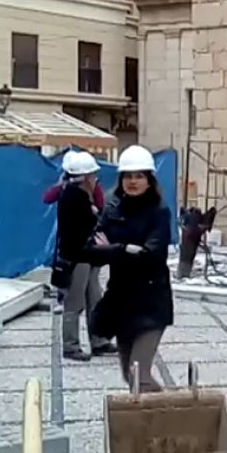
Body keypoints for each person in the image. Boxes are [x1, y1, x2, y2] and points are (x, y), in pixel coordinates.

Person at [84, 145, 173, 392]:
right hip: (121, 302)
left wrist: (114, 249)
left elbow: (151, 256)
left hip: (151, 302)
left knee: (138, 373)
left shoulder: (159, 212)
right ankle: (148, 423)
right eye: (128, 176)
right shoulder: (113, 209)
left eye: (139, 176)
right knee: (128, 375)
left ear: (149, 180)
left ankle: (173, 416)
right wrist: (124, 250)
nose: (133, 181)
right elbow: (90, 250)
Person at [55, 151, 117, 361]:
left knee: (94, 300)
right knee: (75, 303)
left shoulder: (79, 196)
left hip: (87, 258)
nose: (95, 179)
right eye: (92, 175)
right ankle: (71, 346)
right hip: (78, 258)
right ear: (84, 178)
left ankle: (98, 340)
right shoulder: (75, 199)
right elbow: (82, 233)